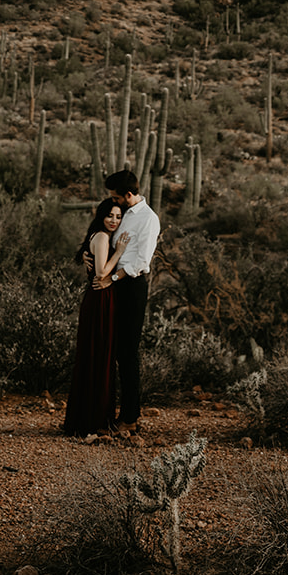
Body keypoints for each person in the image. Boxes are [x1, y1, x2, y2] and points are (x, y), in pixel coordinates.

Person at [61, 198, 131, 437]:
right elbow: (101, 272)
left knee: (96, 354)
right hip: (100, 299)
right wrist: (119, 252)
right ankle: (93, 420)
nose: (114, 221)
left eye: (118, 217)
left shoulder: (99, 236)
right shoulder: (101, 237)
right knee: (99, 354)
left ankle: (89, 417)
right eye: (110, 215)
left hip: (100, 299)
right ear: (101, 216)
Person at [103, 168, 161, 436]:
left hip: (130, 286)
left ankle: (129, 418)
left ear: (128, 194)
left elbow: (141, 262)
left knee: (128, 352)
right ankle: (116, 414)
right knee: (115, 351)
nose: (113, 201)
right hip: (115, 284)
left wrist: (112, 277)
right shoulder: (123, 214)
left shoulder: (148, 219)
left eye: (116, 197)